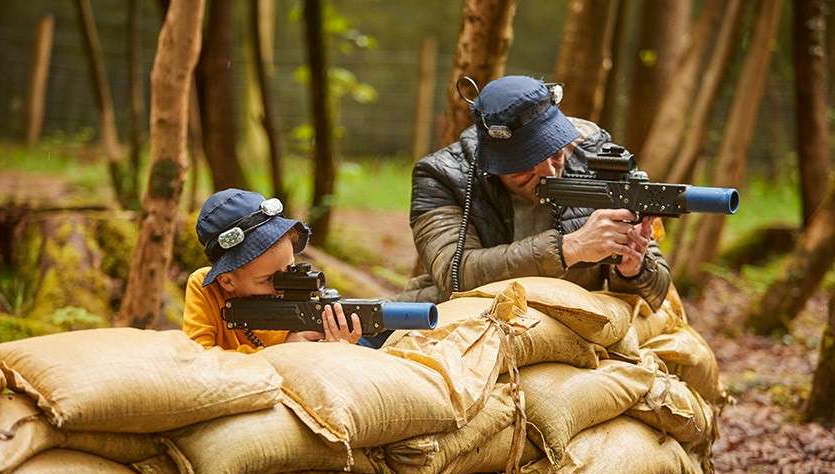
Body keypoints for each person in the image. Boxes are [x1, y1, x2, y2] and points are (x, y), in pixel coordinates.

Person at [399, 75, 671, 310]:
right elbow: (454, 275)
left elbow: (656, 292)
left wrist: (632, 269)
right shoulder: (442, 175)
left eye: (555, 154)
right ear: (493, 162)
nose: (550, 173)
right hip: (469, 316)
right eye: (525, 166)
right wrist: (570, 248)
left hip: (573, 320)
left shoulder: (597, 160)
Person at [183, 189, 362, 352]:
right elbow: (199, 361)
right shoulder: (206, 289)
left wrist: (336, 349)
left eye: (290, 269)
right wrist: (283, 352)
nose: (284, 285)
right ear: (227, 280)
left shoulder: (304, 300)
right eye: (267, 279)